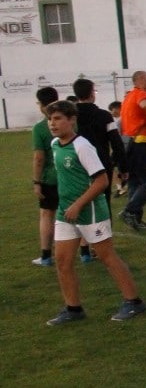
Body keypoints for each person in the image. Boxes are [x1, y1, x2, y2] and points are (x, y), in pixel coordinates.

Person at [43, 101, 146, 325]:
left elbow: (102, 181)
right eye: (50, 119)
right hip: (66, 211)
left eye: (58, 118)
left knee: (106, 255)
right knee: (62, 261)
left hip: (89, 210)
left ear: (72, 121)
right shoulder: (55, 144)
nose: (53, 123)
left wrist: (78, 204)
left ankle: (134, 301)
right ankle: (73, 308)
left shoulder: (82, 146)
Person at [72, 79, 128, 258]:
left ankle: (84, 249)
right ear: (91, 93)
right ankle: (102, 247)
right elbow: (116, 142)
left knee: (80, 203)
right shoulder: (104, 115)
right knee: (102, 204)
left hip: (77, 166)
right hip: (101, 165)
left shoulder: (72, 116)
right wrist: (122, 165)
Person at [119, 70, 146, 230]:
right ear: (141, 79)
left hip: (129, 145)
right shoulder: (140, 94)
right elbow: (145, 105)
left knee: (135, 182)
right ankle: (130, 211)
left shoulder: (128, 97)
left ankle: (135, 217)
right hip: (140, 143)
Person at [32, 87, 61, 267]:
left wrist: (36, 182)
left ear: (42, 105)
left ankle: (46, 256)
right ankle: (84, 253)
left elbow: (39, 157)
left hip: (50, 178)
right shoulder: (70, 121)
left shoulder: (41, 127)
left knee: (47, 214)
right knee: (75, 214)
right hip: (70, 176)